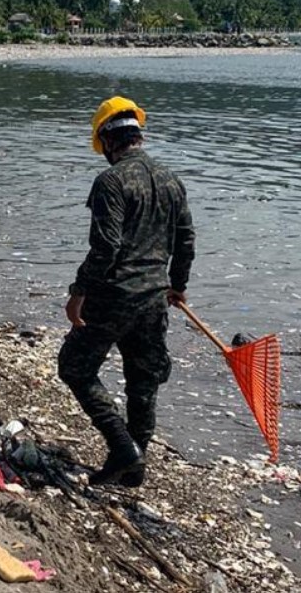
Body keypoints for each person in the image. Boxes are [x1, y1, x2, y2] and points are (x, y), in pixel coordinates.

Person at [57, 96, 195, 487]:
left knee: (74, 367)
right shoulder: (171, 179)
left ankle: (123, 449)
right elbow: (185, 240)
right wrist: (177, 285)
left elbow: (106, 247)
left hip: (114, 294)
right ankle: (136, 463)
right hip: (154, 296)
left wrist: (78, 292)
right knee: (144, 378)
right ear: (138, 134)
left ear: (107, 141)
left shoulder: (110, 182)